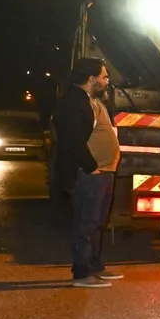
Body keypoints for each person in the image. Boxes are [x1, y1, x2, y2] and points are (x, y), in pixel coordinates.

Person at [52, 57, 124, 288]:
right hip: (90, 174)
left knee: (97, 223)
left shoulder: (92, 100)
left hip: (105, 172)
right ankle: (81, 273)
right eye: (104, 76)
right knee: (86, 222)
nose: (107, 80)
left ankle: (94, 266)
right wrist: (91, 167)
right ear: (91, 78)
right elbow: (71, 141)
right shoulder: (72, 102)